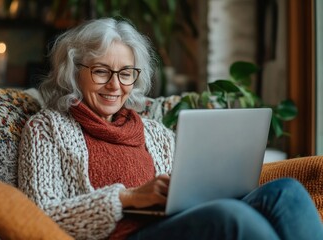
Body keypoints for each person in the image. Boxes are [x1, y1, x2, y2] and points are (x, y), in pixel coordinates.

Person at [18, 17, 323, 240]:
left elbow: (189, 187)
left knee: (287, 192)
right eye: (101, 71)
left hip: (178, 223)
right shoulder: (47, 130)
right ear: (74, 73)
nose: (115, 85)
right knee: (232, 218)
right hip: (122, 236)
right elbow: (38, 217)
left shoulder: (154, 132)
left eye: (126, 73)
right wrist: (128, 198)